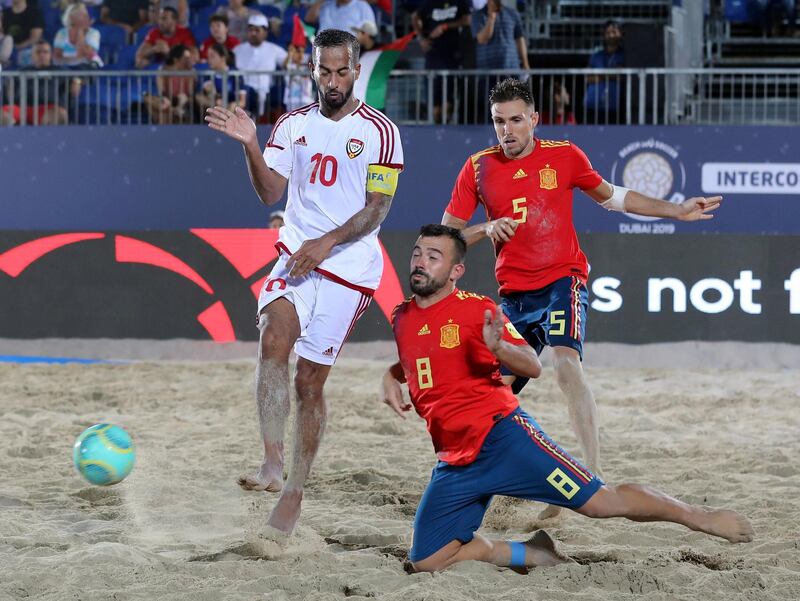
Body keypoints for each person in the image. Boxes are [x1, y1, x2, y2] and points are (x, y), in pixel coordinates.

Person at [381, 224, 754, 573]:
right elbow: (420, 354)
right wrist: (391, 375)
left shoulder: (476, 310)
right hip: (455, 460)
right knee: (428, 561)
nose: (420, 262)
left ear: (455, 270)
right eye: (417, 253)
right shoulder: (402, 316)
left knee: (602, 504)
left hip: (504, 439)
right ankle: (535, 552)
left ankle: (699, 516)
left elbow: (531, 364)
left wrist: (499, 348)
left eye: (433, 256)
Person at [441, 78, 723, 519]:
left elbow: (614, 198)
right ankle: (476, 481)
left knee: (566, 365)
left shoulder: (564, 155)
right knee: (490, 393)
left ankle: (590, 476)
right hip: (512, 295)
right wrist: (483, 229)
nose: (507, 130)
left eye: (516, 120)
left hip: (562, 280)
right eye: (499, 121)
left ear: (534, 119)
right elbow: (447, 235)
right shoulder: (477, 166)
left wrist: (677, 209)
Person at [205, 28, 404, 535]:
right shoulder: (291, 125)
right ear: (311, 70)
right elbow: (270, 191)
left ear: (356, 71)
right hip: (296, 258)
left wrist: (327, 243)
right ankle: (272, 464)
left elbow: (377, 210)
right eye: (323, 70)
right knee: (273, 339)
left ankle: (296, 486)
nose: (332, 80)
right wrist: (250, 143)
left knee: (308, 383)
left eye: (342, 71)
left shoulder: (382, 131)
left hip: (350, 269)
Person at [412, 0, 471, 123]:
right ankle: (438, 126)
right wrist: (421, 38)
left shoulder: (460, 2)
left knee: (449, 100)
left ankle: (446, 125)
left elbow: (467, 20)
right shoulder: (428, 3)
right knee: (435, 102)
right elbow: (415, 17)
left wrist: (445, 26)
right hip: (433, 55)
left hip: (453, 55)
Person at [233, 13, 287, 118]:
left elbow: (289, 62)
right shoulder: (238, 50)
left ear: (265, 32)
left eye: (257, 30)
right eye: (251, 30)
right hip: (243, 93)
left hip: (266, 93)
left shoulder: (274, 49)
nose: (253, 33)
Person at [584, 20, 624, 125]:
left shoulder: (625, 55)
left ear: (620, 33)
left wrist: (599, 75)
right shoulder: (596, 56)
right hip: (593, 105)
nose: (611, 35)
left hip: (614, 107)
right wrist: (611, 75)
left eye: (614, 32)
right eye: (608, 32)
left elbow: (621, 76)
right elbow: (588, 78)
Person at [144, 43, 196, 124]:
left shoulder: (191, 73)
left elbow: (190, 95)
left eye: (189, 58)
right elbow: (162, 93)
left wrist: (180, 101)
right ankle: (172, 111)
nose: (189, 60)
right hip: (167, 103)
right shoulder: (163, 71)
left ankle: (173, 112)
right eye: (186, 58)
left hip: (183, 104)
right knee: (148, 98)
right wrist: (168, 103)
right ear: (176, 60)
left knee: (171, 108)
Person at [196, 43, 249, 115]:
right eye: (208, 57)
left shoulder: (235, 74)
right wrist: (216, 102)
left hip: (232, 109)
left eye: (212, 56)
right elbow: (207, 93)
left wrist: (231, 106)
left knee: (233, 106)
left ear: (223, 58)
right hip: (216, 106)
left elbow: (242, 101)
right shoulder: (208, 74)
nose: (209, 60)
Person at [53, 3, 103, 67]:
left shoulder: (93, 33)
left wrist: (80, 33)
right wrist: (76, 58)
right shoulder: (61, 33)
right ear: (72, 18)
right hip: (66, 69)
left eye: (87, 15)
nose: (87, 17)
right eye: (83, 15)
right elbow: (57, 56)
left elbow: (88, 54)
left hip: (88, 68)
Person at [2, 0, 43, 66]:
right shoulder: (4, 13)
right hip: (7, 51)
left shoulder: (35, 13)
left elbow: (35, 38)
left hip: (27, 51)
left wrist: (16, 48)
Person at [305, 0, 376, 34]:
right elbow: (309, 20)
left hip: (349, 52)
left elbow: (372, 33)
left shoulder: (362, 6)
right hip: (322, 50)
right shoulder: (326, 4)